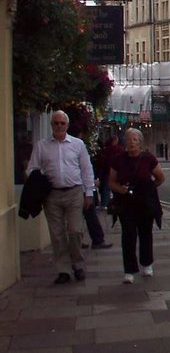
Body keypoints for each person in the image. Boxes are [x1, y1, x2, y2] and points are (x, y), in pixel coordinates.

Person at [26, 110, 96, 284]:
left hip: (74, 192)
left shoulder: (78, 144)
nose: (59, 126)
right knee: (57, 235)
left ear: (67, 125)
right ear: (51, 125)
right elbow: (32, 168)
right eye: (56, 123)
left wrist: (89, 193)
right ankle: (63, 269)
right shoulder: (42, 145)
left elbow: (86, 169)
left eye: (62, 123)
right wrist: (37, 183)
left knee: (75, 231)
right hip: (52, 195)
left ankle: (77, 264)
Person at [109, 127, 165, 284]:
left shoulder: (148, 159)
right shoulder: (118, 159)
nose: (131, 142)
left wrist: (149, 189)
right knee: (128, 236)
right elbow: (111, 182)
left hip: (144, 203)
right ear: (124, 142)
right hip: (126, 203)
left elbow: (160, 177)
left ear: (140, 143)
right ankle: (129, 271)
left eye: (135, 140)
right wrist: (120, 189)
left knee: (145, 234)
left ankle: (147, 264)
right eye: (128, 139)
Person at [82, 176, 113, 250]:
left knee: (90, 215)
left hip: (83, 188)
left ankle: (97, 240)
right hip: (77, 187)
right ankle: (96, 240)